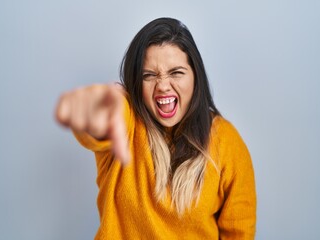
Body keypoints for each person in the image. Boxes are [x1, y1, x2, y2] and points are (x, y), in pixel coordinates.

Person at [55, 17, 256, 240]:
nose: (162, 86)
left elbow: (239, 232)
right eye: (149, 75)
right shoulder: (129, 121)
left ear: (195, 76)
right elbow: (101, 124)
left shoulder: (226, 141)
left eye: (176, 72)